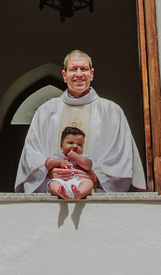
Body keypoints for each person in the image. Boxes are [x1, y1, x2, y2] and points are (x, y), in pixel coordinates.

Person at [16, 50, 145, 193]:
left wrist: (96, 178)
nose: (79, 74)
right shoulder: (45, 111)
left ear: (92, 74)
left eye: (84, 69)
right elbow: (32, 151)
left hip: (99, 200)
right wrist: (48, 172)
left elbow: (121, 154)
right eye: (73, 69)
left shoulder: (112, 111)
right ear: (64, 76)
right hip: (53, 198)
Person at [46, 127, 96, 201]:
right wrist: (59, 162)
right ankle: (60, 192)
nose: (75, 146)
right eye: (70, 143)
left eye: (79, 145)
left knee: (89, 182)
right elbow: (48, 164)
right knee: (53, 183)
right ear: (61, 145)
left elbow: (88, 166)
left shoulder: (83, 156)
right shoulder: (58, 156)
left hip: (79, 181)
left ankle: (80, 193)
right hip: (61, 181)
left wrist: (76, 157)